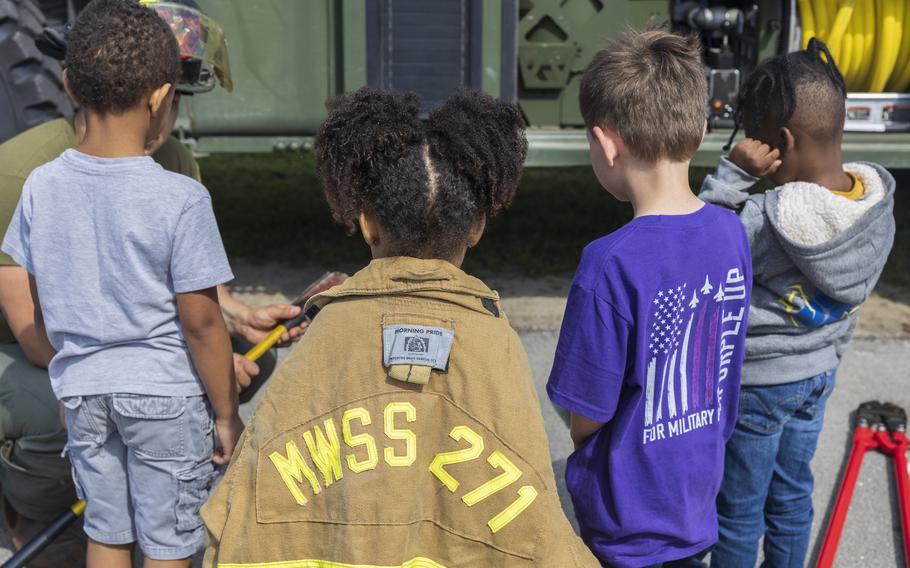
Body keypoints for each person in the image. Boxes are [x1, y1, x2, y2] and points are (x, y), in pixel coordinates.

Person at [200, 87, 599, 567]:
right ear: (476, 228)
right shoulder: (495, 344)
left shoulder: (327, 338)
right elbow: (535, 530)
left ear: (366, 223)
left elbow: (244, 515)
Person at [0, 2, 303, 564]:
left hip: (85, 396)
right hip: (163, 397)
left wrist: (79, 368)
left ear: (68, 83)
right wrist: (225, 412)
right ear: (162, 96)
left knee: (106, 534)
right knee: (169, 542)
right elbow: (200, 321)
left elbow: (46, 306)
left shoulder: (42, 186)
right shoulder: (179, 197)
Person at [546, 29, 752, 567]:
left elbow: (585, 412)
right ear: (702, 129)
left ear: (606, 142)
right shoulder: (732, 234)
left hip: (625, 521)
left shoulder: (609, 262)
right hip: (694, 503)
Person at [699, 38, 895, 567]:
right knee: (790, 499)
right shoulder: (875, 204)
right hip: (819, 377)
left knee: (737, 514)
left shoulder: (769, 217)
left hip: (760, 386)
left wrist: (734, 173)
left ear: (781, 140)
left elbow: (699, 245)